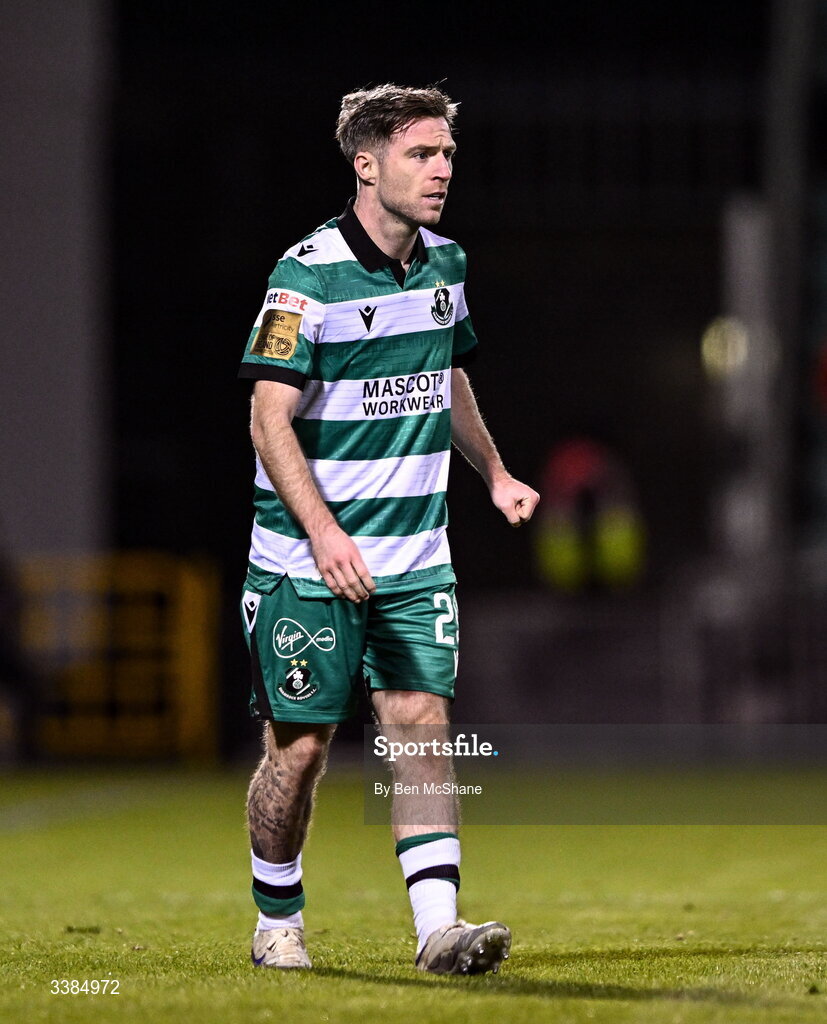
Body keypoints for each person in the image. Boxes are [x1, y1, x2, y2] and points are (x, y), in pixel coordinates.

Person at [238, 83, 539, 975]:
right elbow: (267, 419)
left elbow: (444, 376)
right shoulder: (305, 274)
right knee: (297, 755)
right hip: (305, 563)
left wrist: (494, 472)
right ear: (365, 165)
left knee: (420, 724)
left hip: (414, 559)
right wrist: (327, 535)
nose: (442, 169)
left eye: (446, 153)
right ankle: (276, 917)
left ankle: (437, 931)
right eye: (420, 154)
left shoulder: (445, 264)